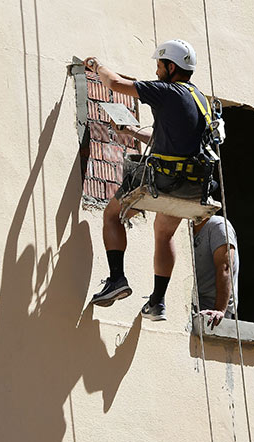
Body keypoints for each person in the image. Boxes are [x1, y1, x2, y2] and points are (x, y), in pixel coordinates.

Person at [82, 39, 211, 321]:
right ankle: (157, 302)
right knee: (164, 233)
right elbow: (173, 140)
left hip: (164, 181)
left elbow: (115, 84)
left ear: (171, 67)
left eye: (159, 66)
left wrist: (95, 66)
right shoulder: (200, 100)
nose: (156, 71)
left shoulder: (167, 91)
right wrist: (131, 132)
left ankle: (117, 279)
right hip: (191, 187)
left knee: (112, 215)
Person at [192, 215, 239, 329]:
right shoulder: (186, 230)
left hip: (214, 310)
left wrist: (219, 310)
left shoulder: (217, 225)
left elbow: (225, 267)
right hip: (195, 307)